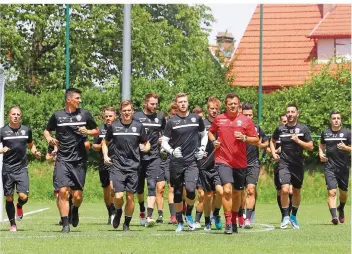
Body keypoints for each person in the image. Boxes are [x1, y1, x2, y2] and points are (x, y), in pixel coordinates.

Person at [44, 88, 99, 233]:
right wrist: (49, 138)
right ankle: (65, 224)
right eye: (77, 98)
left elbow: (97, 131)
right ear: (69, 99)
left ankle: (75, 209)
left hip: (79, 161)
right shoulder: (57, 115)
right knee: (62, 191)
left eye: (80, 98)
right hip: (62, 159)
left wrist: (87, 131)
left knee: (77, 196)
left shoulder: (85, 114)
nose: (80, 101)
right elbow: (47, 130)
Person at [208, 92, 258, 234]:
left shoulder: (246, 121)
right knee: (227, 189)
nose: (233, 106)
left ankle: (235, 219)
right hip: (223, 160)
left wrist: (244, 137)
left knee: (237, 193)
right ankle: (228, 222)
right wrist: (214, 141)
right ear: (226, 105)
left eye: (235, 103)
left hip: (240, 162)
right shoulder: (219, 119)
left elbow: (256, 140)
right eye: (230, 104)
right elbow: (210, 133)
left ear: (239, 104)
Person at [161, 93, 207, 232]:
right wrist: (172, 151)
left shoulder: (196, 118)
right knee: (178, 193)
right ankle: (180, 221)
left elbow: (204, 135)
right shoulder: (171, 121)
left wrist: (202, 148)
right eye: (180, 102)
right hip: (176, 163)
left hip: (192, 161)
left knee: (192, 190)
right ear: (176, 104)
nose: (182, 104)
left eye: (185, 101)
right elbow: (164, 141)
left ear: (188, 103)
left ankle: (188, 214)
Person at [102, 100, 150, 232]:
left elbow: (147, 143)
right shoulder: (114, 126)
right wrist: (106, 156)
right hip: (117, 166)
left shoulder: (138, 126)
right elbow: (104, 142)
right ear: (120, 112)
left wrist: (145, 148)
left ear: (132, 111)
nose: (127, 113)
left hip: (133, 167)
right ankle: (118, 211)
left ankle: (126, 224)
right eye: (124, 111)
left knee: (130, 197)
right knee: (118, 196)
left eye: (129, 110)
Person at [270, 103, 313, 230]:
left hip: (298, 165)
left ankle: (293, 216)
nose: (290, 114)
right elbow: (272, 141)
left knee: (296, 191)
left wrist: (298, 141)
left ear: (297, 114)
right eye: (288, 112)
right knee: (284, 189)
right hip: (284, 163)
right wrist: (273, 153)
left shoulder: (303, 129)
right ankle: (285, 216)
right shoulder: (280, 129)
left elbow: (311, 146)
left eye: (292, 112)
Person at [1, 106, 41, 232]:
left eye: (18, 114)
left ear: (21, 117)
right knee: (8, 197)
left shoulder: (26, 130)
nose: (16, 116)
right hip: (7, 168)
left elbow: (31, 144)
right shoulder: (2, 131)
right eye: (13, 114)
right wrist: (1, 150)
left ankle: (19, 206)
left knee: (23, 196)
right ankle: (13, 224)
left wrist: (35, 152)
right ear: (9, 115)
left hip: (22, 168)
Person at [133, 94, 166, 227]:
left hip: (154, 157)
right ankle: (142, 210)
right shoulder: (136, 117)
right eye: (152, 104)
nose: (154, 106)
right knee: (139, 188)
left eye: (156, 104)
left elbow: (165, 134)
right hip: (138, 158)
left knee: (152, 185)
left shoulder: (160, 117)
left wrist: (162, 139)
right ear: (145, 103)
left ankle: (149, 216)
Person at [46, 137, 91, 226]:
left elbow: (88, 145)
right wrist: (53, 155)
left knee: (74, 195)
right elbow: (47, 158)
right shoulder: (55, 141)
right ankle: (63, 218)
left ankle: (74, 211)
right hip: (59, 169)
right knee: (60, 193)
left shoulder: (78, 136)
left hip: (75, 167)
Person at [319, 111, 351, 225]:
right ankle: (334, 217)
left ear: (341, 120)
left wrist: (346, 147)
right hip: (329, 167)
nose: (336, 120)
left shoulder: (347, 133)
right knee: (332, 192)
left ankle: (341, 208)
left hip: (343, 167)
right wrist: (321, 154)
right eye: (334, 118)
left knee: (343, 193)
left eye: (338, 118)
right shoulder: (326, 133)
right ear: (330, 120)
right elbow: (322, 145)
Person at [197, 97, 223, 231]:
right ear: (208, 109)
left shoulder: (222, 123)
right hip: (205, 164)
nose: (214, 111)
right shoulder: (202, 124)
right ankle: (207, 221)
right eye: (212, 108)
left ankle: (216, 213)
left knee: (221, 191)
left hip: (220, 163)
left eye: (216, 109)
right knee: (207, 195)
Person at [241, 103, 268, 229]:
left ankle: (248, 218)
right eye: (245, 115)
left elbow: (266, 143)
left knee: (251, 190)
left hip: (253, 164)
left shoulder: (257, 128)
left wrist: (259, 145)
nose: (248, 117)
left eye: (250, 115)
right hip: (238, 164)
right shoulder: (236, 127)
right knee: (240, 193)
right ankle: (240, 215)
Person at [92, 107, 117, 225]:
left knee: (114, 188)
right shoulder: (100, 129)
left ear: (115, 116)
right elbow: (94, 146)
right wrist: (101, 145)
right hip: (103, 163)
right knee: (106, 190)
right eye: (106, 116)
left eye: (110, 116)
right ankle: (110, 212)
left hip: (117, 163)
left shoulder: (120, 127)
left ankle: (115, 211)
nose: (108, 118)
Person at [266, 114, 293, 221]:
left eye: (286, 121)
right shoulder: (277, 133)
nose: (285, 123)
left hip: (290, 166)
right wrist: (274, 152)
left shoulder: (292, 133)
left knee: (290, 191)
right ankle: (283, 214)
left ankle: (288, 214)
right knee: (279, 191)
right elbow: (268, 149)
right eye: (283, 121)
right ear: (280, 122)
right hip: (278, 165)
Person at [158, 102, 178, 224]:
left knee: (181, 190)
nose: (174, 113)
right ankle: (173, 216)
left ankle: (182, 212)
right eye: (173, 111)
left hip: (180, 159)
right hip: (168, 159)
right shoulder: (168, 124)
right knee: (170, 188)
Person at [192, 105, 205, 228]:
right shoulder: (190, 130)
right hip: (191, 164)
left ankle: (198, 220)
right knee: (192, 193)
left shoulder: (206, 129)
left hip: (206, 164)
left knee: (204, 194)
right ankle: (188, 214)